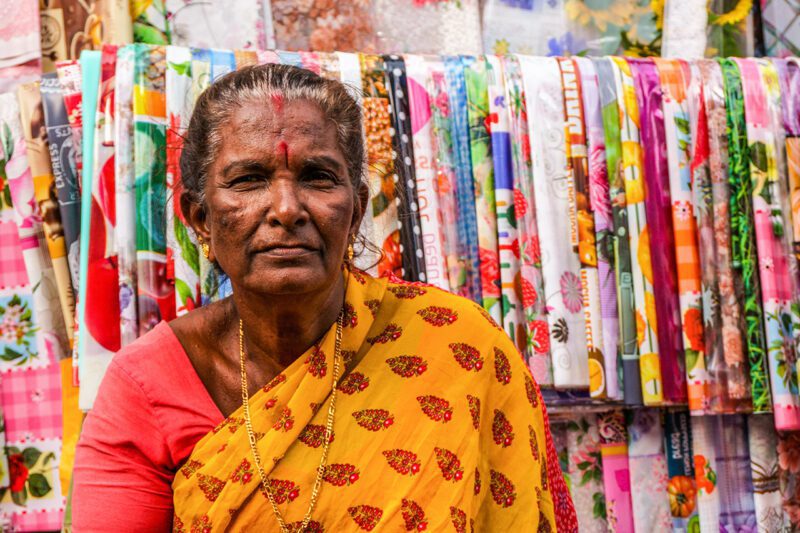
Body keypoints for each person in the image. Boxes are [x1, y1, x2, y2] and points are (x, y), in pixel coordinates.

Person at [72, 63, 575, 532]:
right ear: (201, 218)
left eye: (318, 177)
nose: (287, 209)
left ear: (355, 213)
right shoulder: (146, 385)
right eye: (249, 180)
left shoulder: (457, 344)